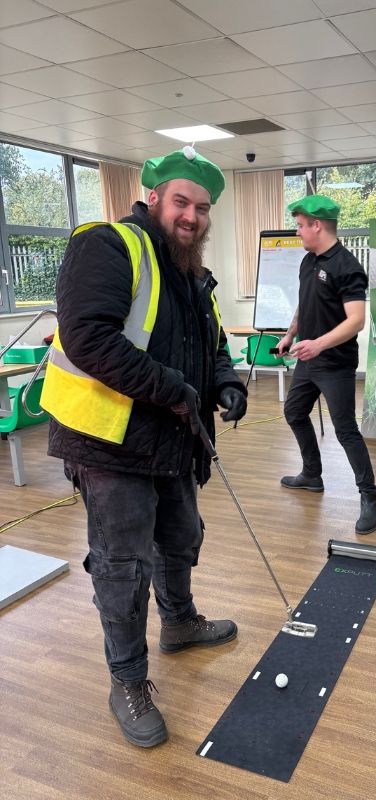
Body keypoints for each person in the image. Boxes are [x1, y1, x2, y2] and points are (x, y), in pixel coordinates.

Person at [41, 146, 248, 748]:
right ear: (153, 197)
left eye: (203, 208)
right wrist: (177, 389)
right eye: (182, 201)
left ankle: (179, 623)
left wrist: (227, 382)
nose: (192, 216)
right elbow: (87, 339)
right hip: (109, 441)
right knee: (123, 565)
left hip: (172, 438)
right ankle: (127, 681)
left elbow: (211, 344)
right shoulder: (107, 245)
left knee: (181, 539)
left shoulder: (191, 271)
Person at [277, 194, 376, 536]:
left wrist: (317, 344)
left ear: (317, 225)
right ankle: (312, 474)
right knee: (294, 412)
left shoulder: (347, 266)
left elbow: (356, 321)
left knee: (345, 430)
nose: (298, 232)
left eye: (300, 226)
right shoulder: (308, 262)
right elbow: (304, 304)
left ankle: (370, 499)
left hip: (334, 363)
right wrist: (290, 334)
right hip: (308, 359)